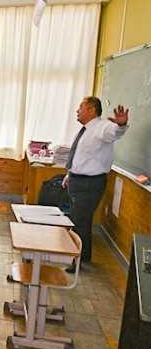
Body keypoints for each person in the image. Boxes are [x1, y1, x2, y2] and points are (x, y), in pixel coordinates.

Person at [63, 97, 129, 270]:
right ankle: (83, 255)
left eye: (81, 107)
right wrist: (70, 174)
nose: (77, 110)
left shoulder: (102, 127)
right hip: (77, 181)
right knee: (79, 220)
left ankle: (76, 260)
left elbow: (115, 131)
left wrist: (121, 125)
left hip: (89, 184)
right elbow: (82, 157)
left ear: (92, 110)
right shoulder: (85, 131)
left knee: (79, 222)